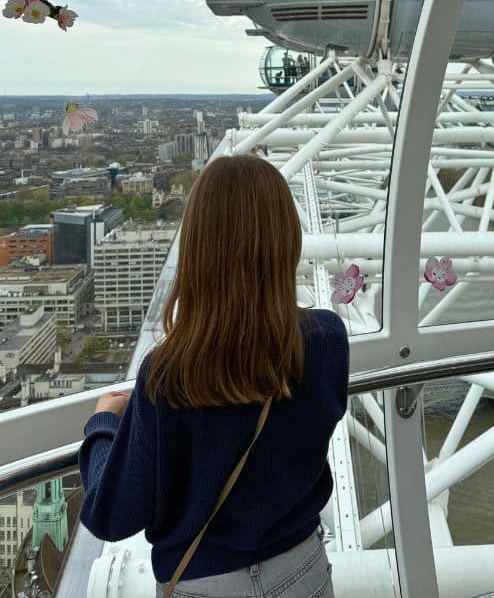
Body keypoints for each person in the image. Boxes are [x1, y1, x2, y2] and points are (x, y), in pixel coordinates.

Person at [78, 155, 349, 597]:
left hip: (206, 583)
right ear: (286, 239)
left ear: (200, 248)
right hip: (303, 568)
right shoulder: (327, 339)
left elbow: (112, 514)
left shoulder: (167, 375)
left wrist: (104, 424)